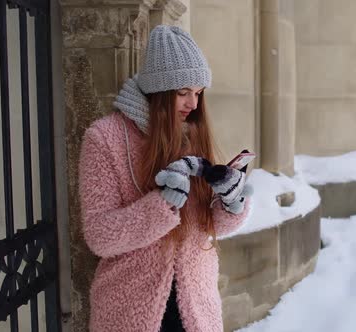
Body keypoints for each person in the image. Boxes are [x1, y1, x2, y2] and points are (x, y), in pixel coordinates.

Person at [78, 25, 252, 332]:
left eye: (198, 93)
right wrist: (161, 206)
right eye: (183, 93)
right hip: (129, 310)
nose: (194, 104)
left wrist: (231, 203)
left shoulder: (193, 133)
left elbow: (208, 226)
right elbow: (99, 235)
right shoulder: (105, 139)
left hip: (196, 306)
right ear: (158, 91)